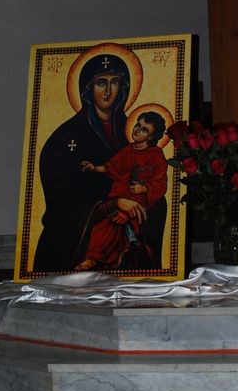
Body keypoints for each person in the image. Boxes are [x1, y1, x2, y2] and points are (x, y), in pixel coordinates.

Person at [33, 53, 165, 272]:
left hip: (129, 220)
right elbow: (61, 201)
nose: (108, 91)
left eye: (115, 82)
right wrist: (114, 204)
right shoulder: (64, 139)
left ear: (123, 87)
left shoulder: (132, 134)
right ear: (87, 88)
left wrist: (140, 197)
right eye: (101, 83)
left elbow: (154, 179)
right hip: (77, 241)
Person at [76, 111, 167, 270]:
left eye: (144, 129)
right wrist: (95, 168)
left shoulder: (156, 155)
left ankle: (117, 251)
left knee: (118, 222)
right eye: (137, 125)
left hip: (140, 199)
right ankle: (94, 257)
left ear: (152, 136)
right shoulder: (127, 150)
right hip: (121, 194)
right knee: (103, 226)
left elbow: (160, 183)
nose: (137, 130)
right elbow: (112, 166)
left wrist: (144, 188)